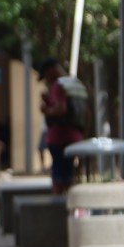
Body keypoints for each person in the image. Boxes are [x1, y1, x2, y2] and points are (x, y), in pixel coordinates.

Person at [38, 58, 84, 194]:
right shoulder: (72, 84)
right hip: (74, 136)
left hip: (59, 138)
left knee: (59, 180)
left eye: (45, 76)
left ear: (51, 71)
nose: (46, 80)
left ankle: (59, 211)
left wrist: (46, 110)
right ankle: (69, 209)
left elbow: (61, 109)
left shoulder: (58, 86)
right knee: (69, 177)